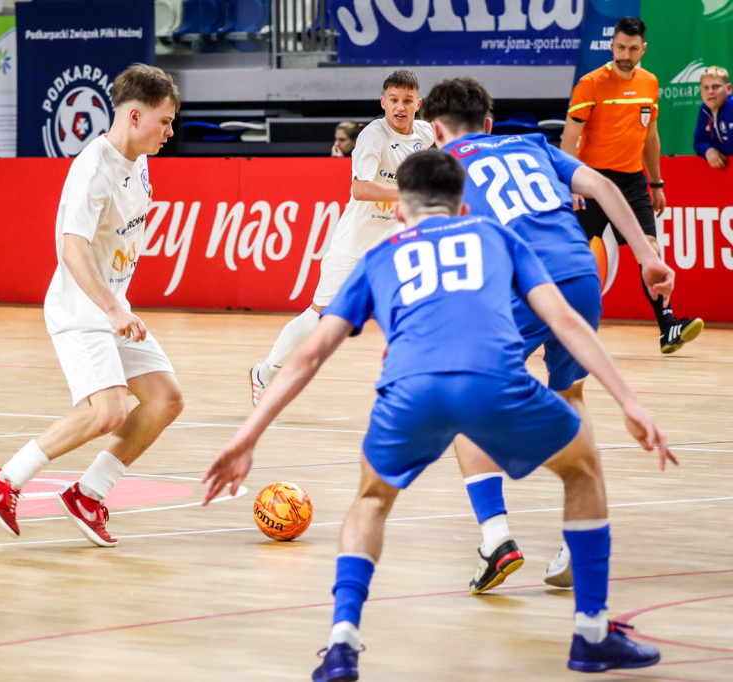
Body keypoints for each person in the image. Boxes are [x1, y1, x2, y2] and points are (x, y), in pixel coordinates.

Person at [203, 150, 675, 678]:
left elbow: (309, 355)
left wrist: (247, 436)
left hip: (410, 393)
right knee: (582, 468)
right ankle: (591, 633)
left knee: (371, 500)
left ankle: (342, 642)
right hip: (493, 383)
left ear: (400, 211)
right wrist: (629, 400)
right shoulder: (497, 237)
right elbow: (564, 320)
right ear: (464, 204)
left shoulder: (379, 258)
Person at [423, 77, 674, 593]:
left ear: (435, 130)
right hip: (580, 275)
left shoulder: (443, 167)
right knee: (570, 395)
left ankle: (496, 538)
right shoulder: (534, 143)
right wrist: (648, 257)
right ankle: (573, 538)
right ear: (489, 124)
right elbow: (605, 186)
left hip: (522, 280)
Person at [0, 64, 184, 547]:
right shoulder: (92, 169)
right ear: (134, 117)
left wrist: (118, 307)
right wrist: (113, 309)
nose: (170, 132)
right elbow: (72, 249)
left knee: (166, 398)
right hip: (82, 311)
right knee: (109, 411)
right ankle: (4, 480)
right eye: (164, 121)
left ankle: (89, 494)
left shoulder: (139, 160)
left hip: (114, 308)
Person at [250, 70, 435, 405]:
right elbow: (361, 189)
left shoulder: (425, 133)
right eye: (393, 99)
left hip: (395, 240)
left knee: (417, 305)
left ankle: (417, 387)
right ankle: (266, 371)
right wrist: (412, 193)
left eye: (407, 101)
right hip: (355, 241)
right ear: (383, 102)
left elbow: (453, 145)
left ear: (417, 105)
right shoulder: (372, 137)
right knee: (319, 316)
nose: (400, 106)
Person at [561, 16, 703, 355]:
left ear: (644, 48)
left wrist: (656, 182)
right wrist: (572, 183)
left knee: (650, 250)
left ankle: (668, 327)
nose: (626, 54)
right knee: (570, 257)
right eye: (621, 47)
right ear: (612, 45)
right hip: (592, 181)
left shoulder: (650, 83)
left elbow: (650, 136)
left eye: (633, 48)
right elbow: (570, 139)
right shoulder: (590, 84)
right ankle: (551, 327)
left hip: (632, 182)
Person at [694, 65, 733, 169]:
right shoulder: (704, 109)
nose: (710, 92)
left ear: (728, 88)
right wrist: (707, 150)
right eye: (706, 87)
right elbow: (699, 142)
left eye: (715, 87)